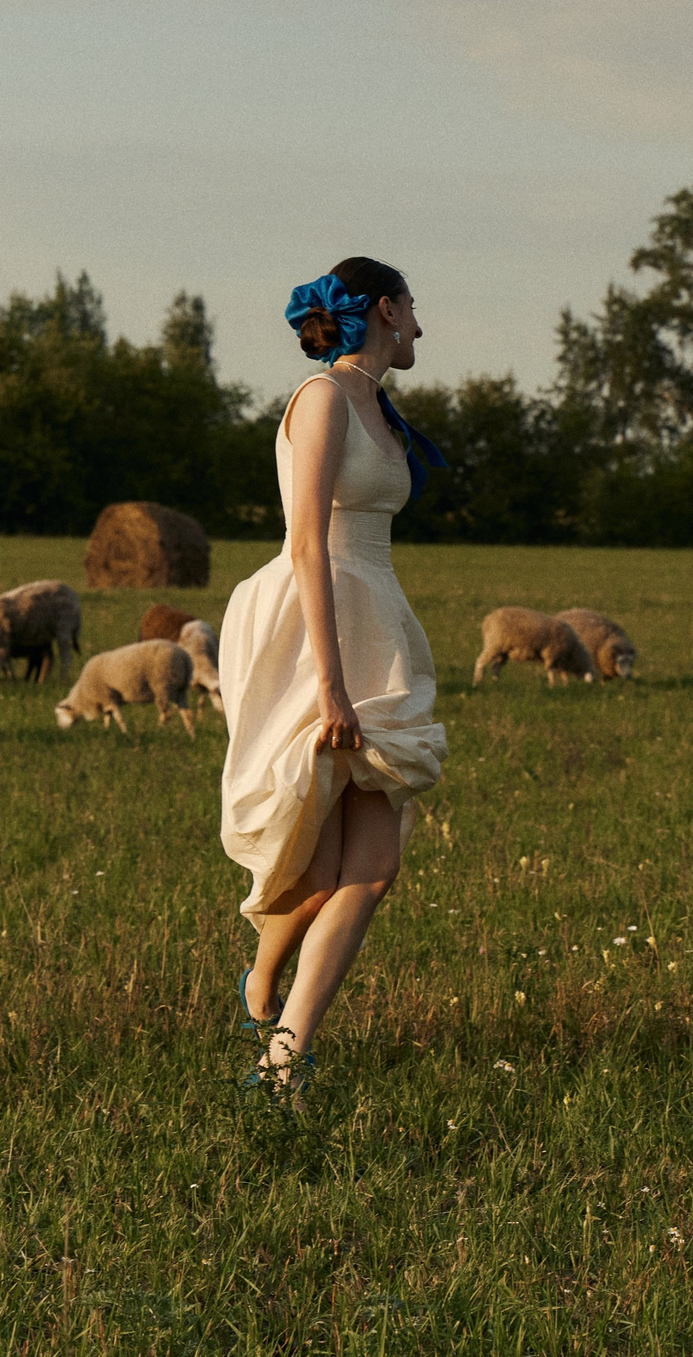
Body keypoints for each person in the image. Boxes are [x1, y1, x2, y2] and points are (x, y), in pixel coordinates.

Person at [220, 256, 449, 1087]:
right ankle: (257, 982)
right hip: (314, 636)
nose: (422, 325)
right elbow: (307, 541)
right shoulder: (320, 399)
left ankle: (286, 1056)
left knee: (374, 872)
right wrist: (329, 685)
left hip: (378, 623)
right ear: (386, 309)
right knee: (315, 878)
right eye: (414, 307)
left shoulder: (376, 407)